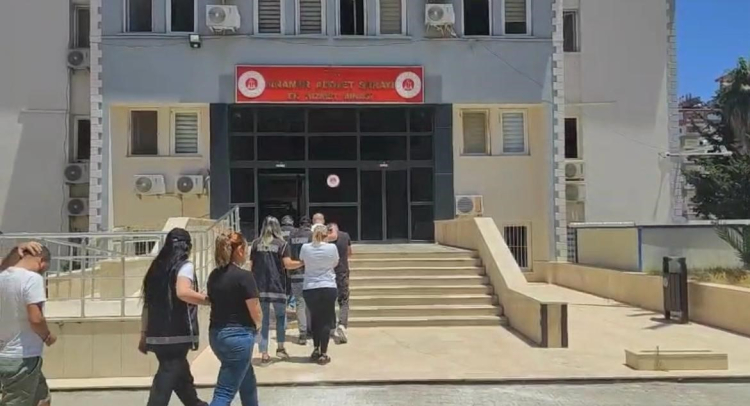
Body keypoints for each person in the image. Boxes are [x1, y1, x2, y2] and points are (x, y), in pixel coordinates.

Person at [139, 228, 209, 406]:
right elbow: (183, 292)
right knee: (167, 373)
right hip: (178, 333)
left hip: (156, 333)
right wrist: (209, 300)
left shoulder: (155, 269)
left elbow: (147, 304)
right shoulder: (184, 266)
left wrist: (144, 333)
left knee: (181, 376)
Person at [207, 232, 262, 406]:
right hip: (238, 337)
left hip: (217, 335)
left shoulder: (214, 276)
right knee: (224, 392)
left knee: (247, 380)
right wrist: (259, 327)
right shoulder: (244, 276)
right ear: (239, 250)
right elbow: (255, 309)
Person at [0, 243, 55, 406]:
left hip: (9, 354)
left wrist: (15, 250)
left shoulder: (2, 277)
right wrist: (47, 336)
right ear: (42, 261)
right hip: (22, 358)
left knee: (42, 398)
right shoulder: (32, 279)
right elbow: (35, 318)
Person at [249, 216, 301, 364]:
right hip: (277, 287)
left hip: (260, 288)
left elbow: (251, 267)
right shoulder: (282, 244)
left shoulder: (255, 244)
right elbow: (288, 264)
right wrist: (303, 262)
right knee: (280, 318)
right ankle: (280, 347)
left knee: (263, 322)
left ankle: (264, 354)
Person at [299, 224, 339, 365]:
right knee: (326, 320)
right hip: (328, 285)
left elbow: (303, 261)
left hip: (310, 287)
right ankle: (324, 352)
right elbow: (335, 263)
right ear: (326, 235)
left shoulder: (305, 247)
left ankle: (315, 348)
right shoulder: (332, 248)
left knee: (315, 318)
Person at [288, 216, 313, 344]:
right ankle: (309, 330)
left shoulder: (292, 235)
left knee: (299, 303)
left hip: (295, 273)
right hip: (309, 274)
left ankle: (302, 333)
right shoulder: (311, 235)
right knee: (310, 303)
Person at [327, 223, 352, 344]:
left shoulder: (325, 238)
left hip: (329, 273)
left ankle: (331, 325)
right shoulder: (345, 236)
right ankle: (342, 324)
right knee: (344, 300)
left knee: (330, 301)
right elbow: (349, 252)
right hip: (342, 271)